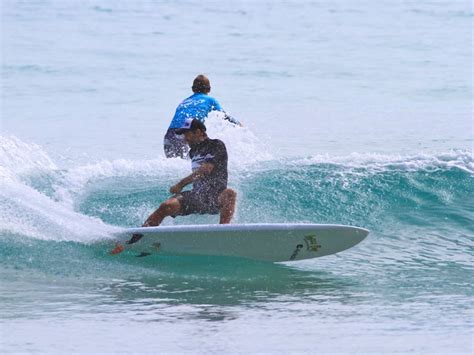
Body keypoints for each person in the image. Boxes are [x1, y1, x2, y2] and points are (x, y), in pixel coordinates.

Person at [111, 119, 237, 254]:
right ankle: (133, 241)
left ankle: (222, 233)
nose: (185, 138)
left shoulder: (216, 145)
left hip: (215, 197)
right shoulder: (193, 152)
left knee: (230, 193)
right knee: (167, 206)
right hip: (198, 196)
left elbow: (206, 169)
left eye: (187, 134)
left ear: (199, 132)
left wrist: (181, 184)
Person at [163, 74, 241, 158]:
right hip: (189, 132)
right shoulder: (210, 100)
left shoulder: (184, 101)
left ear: (193, 89)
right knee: (194, 164)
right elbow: (224, 116)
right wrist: (239, 125)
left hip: (170, 134)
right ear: (209, 89)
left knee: (175, 164)